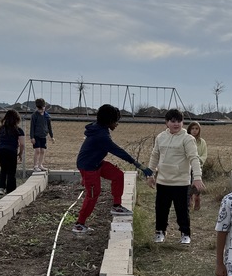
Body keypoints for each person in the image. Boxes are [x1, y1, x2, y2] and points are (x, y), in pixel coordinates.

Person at [73, 104, 153, 235]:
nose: (117, 124)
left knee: (118, 175)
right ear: (109, 121)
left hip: (97, 163)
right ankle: (79, 225)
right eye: (116, 121)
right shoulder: (101, 135)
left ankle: (116, 206)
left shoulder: (100, 129)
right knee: (93, 195)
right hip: (89, 167)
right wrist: (138, 165)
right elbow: (118, 151)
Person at [147, 109, 205, 245]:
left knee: (182, 210)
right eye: (173, 121)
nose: (176, 124)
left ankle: (185, 234)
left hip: (181, 182)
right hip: (163, 181)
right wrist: (150, 174)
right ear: (167, 122)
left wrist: (197, 177)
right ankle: (160, 232)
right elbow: (155, 156)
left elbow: (194, 158)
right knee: (161, 209)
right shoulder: (160, 137)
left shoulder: (188, 139)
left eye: (179, 121)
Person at [0, 109, 25, 195]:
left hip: (1, 150)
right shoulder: (19, 130)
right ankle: (11, 189)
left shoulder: (1, 128)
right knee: (11, 170)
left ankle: (0, 188)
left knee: (3, 168)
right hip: (11, 150)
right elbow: (22, 144)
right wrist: (20, 153)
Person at [186, 121, 208, 211]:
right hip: (187, 166)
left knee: (197, 184)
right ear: (189, 130)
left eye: (196, 129)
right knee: (187, 184)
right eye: (192, 128)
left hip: (198, 166)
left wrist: (197, 160)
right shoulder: (186, 140)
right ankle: (188, 200)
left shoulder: (202, 142)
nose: (194, 130)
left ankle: (197, 198)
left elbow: (204, 155)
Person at [29, 98, 53, 173]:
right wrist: (32, 137)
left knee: (42, 151)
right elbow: (32, 127)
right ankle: (35, 166)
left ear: (44, 107)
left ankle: (40, 165)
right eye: (39, 109)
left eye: (42, 108)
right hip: (36, 136)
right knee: (37, 151)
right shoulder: (34, 115)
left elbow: (49, 127)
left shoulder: (47, 116)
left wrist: (51, 136)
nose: (40, 110)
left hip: (43, 136)